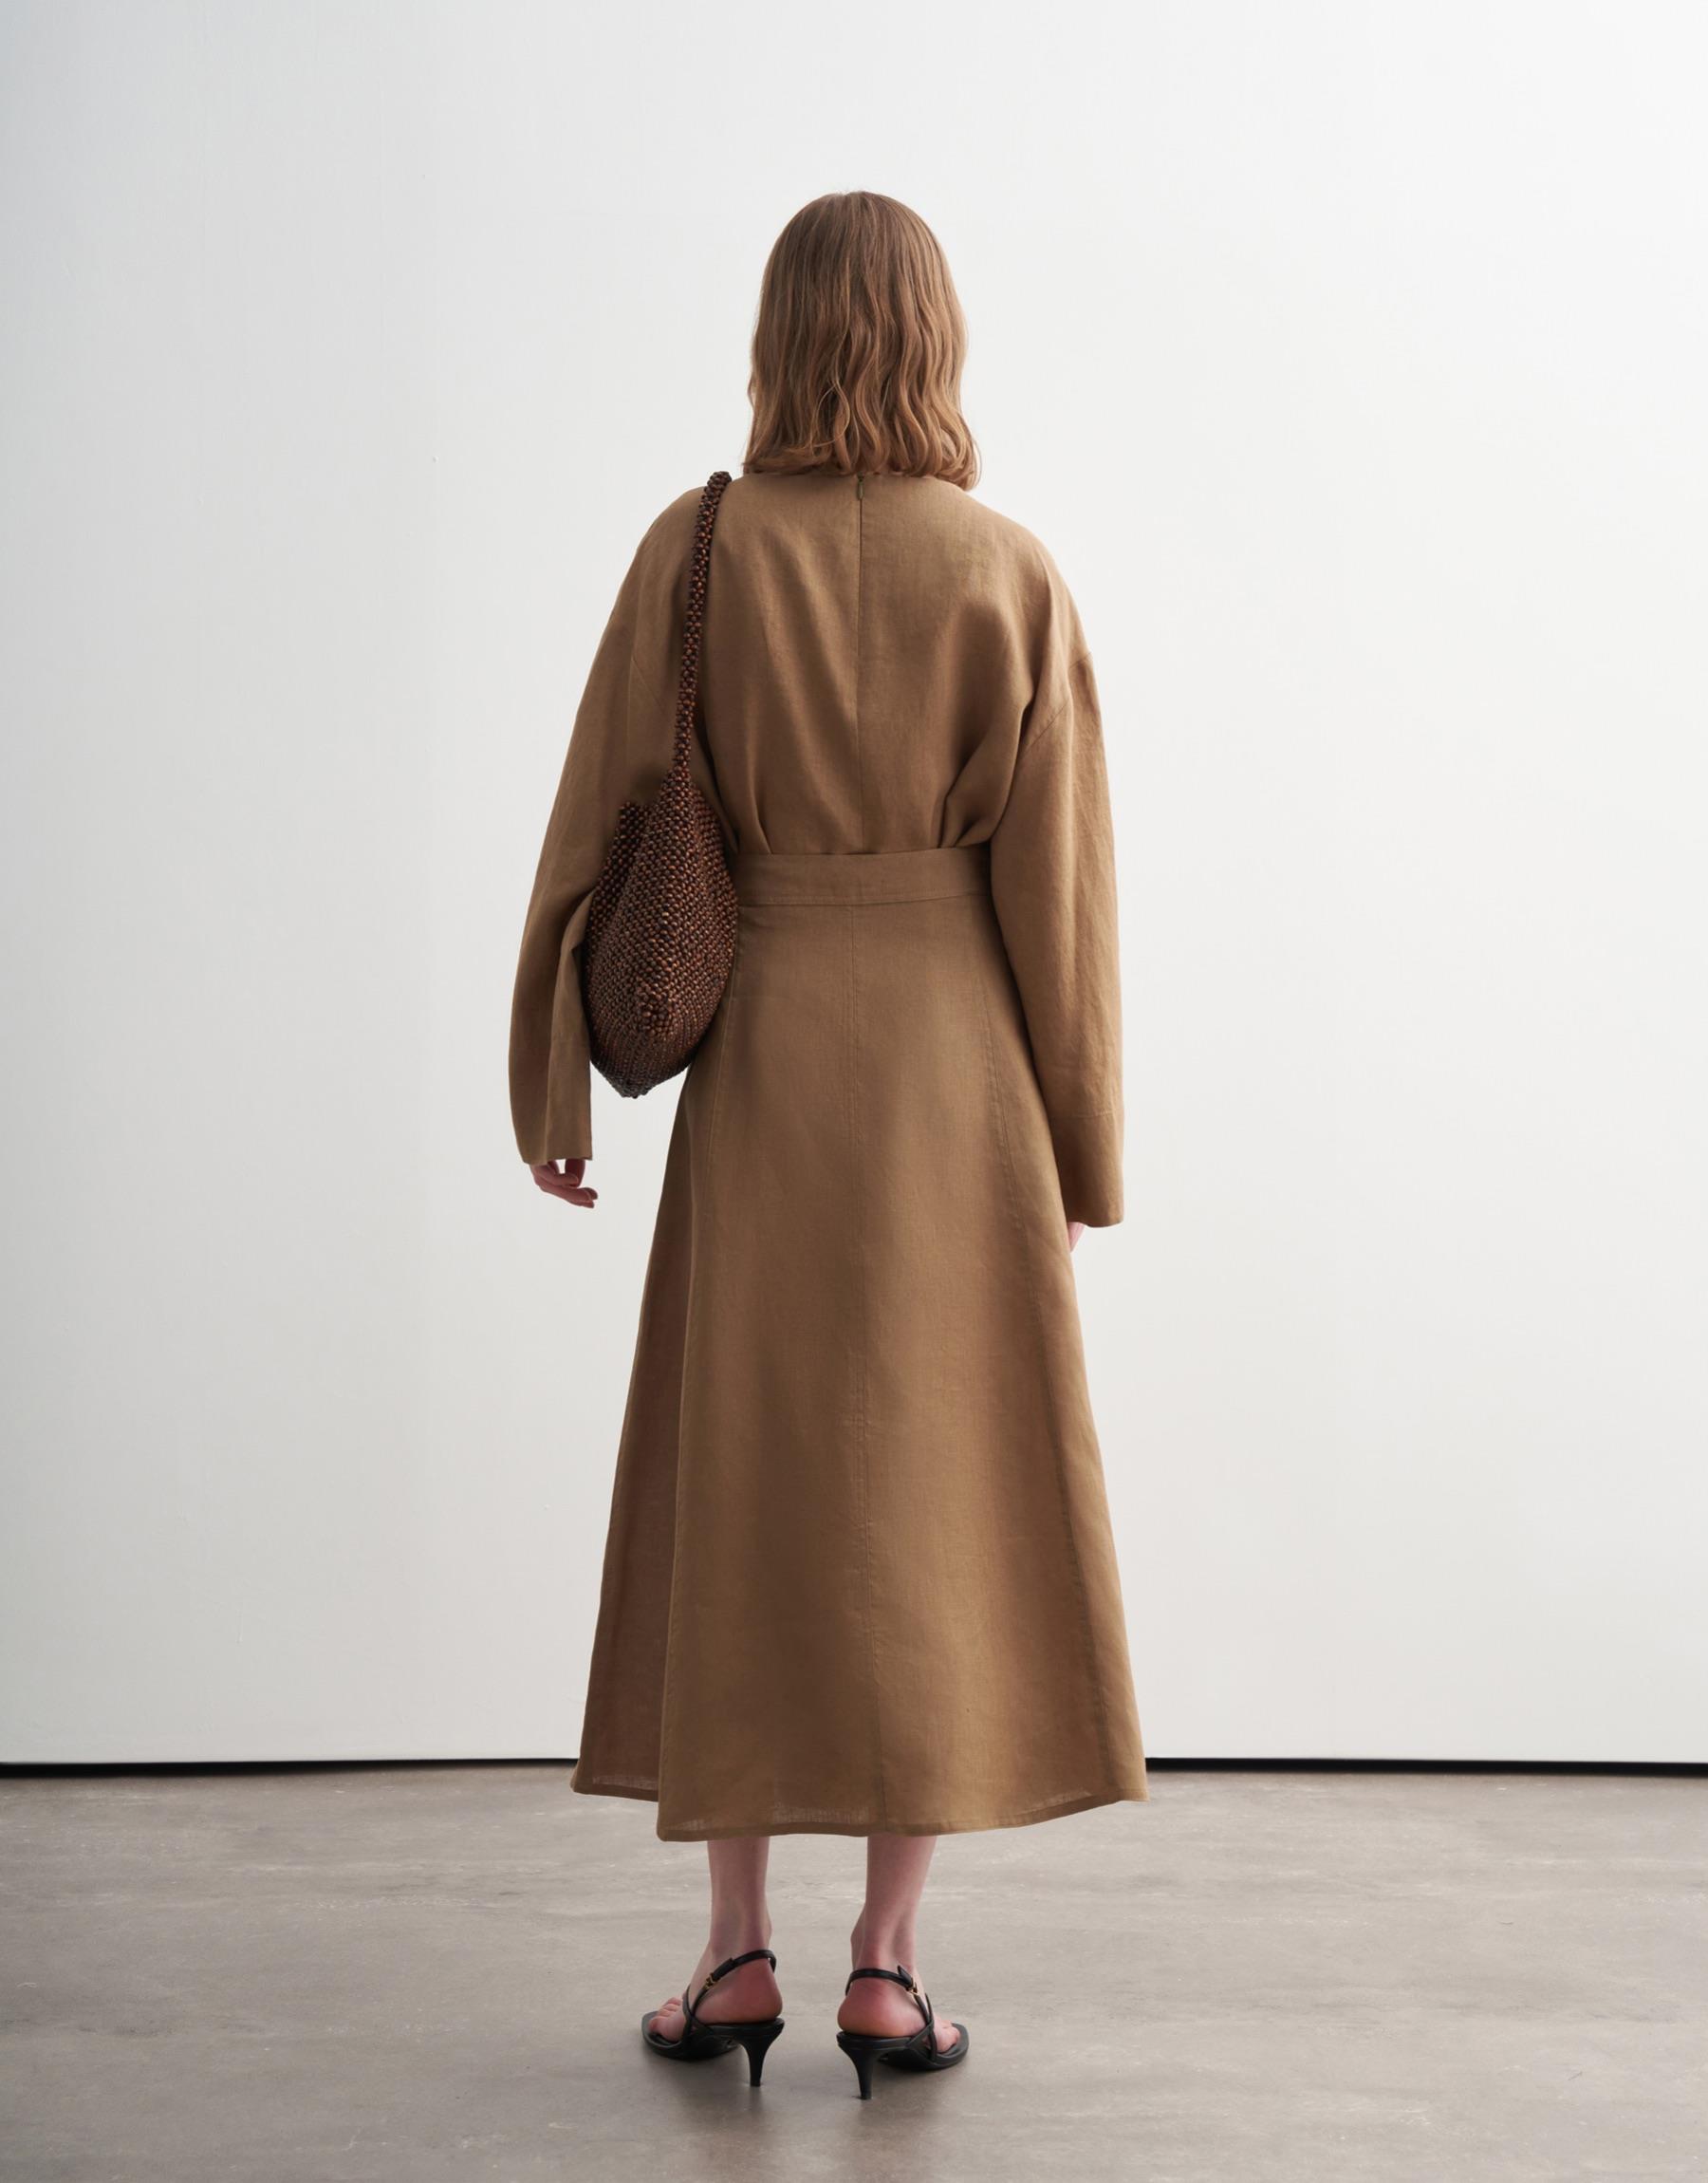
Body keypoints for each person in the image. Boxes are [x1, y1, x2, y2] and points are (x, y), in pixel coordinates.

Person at [509, 190, 1145, 2100]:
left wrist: (552, 1081)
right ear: (937, 337)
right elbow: (1064, 902)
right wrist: (1081, 1151)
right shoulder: (1009, 572)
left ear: (778, 339)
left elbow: (595, 822)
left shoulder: (693, 549)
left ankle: (732, 1954)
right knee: (929, 1505)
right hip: (957, 1088)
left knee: (742, 1480)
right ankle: (886, 1967)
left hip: (765, 1068)